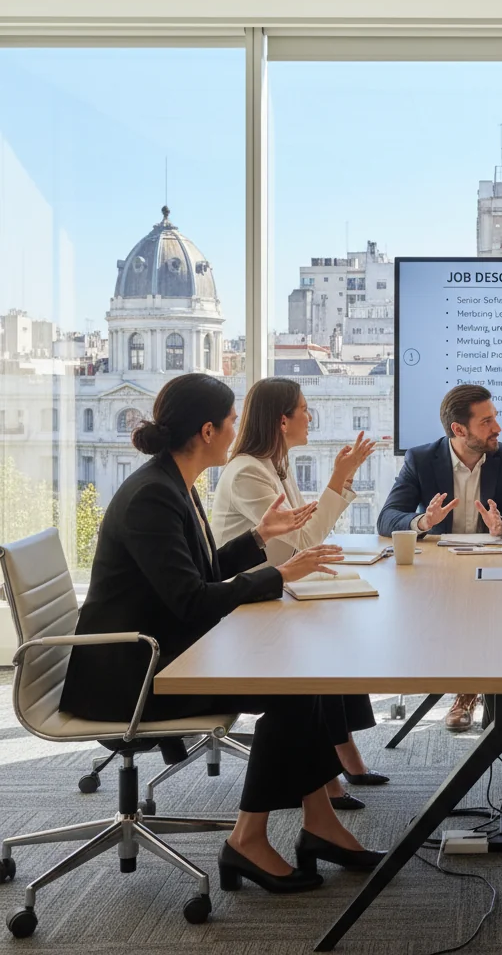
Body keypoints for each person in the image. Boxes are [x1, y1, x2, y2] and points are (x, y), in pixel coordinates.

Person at [60, 373, 384, 894]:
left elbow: (202, 575)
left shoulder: (173, 484)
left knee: (307, 675)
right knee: (292, 690)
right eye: (231, 421)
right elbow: (190, 600)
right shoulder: (153, 497)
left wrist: (260, 538)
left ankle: (319, 824)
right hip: (136, 675)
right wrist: (279, 573)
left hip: (169, 653)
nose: (237, 431)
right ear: (207, 430)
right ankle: (247, 840)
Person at [211, 377, 386, 809]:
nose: (311, 416)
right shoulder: (250, 471)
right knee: (322, 646)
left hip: (274, 592)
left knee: (336, 628)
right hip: (246, 607)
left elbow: (302, 538)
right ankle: (332, 775)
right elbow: (302, 541)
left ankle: (343, 761)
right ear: (282, 420)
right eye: (305, 409)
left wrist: (338, 482)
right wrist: (340, 478)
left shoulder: (274, 465)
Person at [377, 383, 502, 732]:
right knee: (461, 609)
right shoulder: (422, 459)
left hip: (496, 569)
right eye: (487, 422)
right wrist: (423, 521)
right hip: (442, 574)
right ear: (459, 430)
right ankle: (470, 691)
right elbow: (387, 517)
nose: (497, 428)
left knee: (498, 606)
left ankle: (487, 694)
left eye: (495, 418)